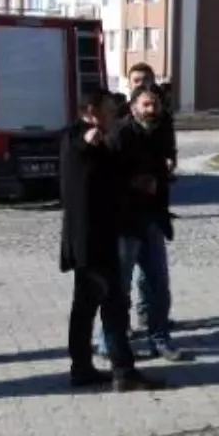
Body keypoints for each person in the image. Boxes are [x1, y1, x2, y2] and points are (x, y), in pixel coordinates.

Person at [59, 88, 164, 392]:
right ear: (92, 110)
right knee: (114, 305)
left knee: (85, 307)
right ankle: (124, 371)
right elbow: (89, 152)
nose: (114, 114)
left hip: (82, 239)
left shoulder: (68, 135)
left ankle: (81, 368)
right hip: (96, 239)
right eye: (108, 108)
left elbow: (102, 175)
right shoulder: (87, 138)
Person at [98, 85, 186, 362]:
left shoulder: (158, 132)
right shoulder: (119, 134)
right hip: (124, 223)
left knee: (159, 285)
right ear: (134, 106)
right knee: (118, 288)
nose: (152, 110)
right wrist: (133, 182)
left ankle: (159, 339)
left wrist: (164, 176)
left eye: (155, 105)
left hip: (152, 220)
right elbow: (103, 179)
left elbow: (163, 167)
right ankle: (109, 341)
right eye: (146, 105)